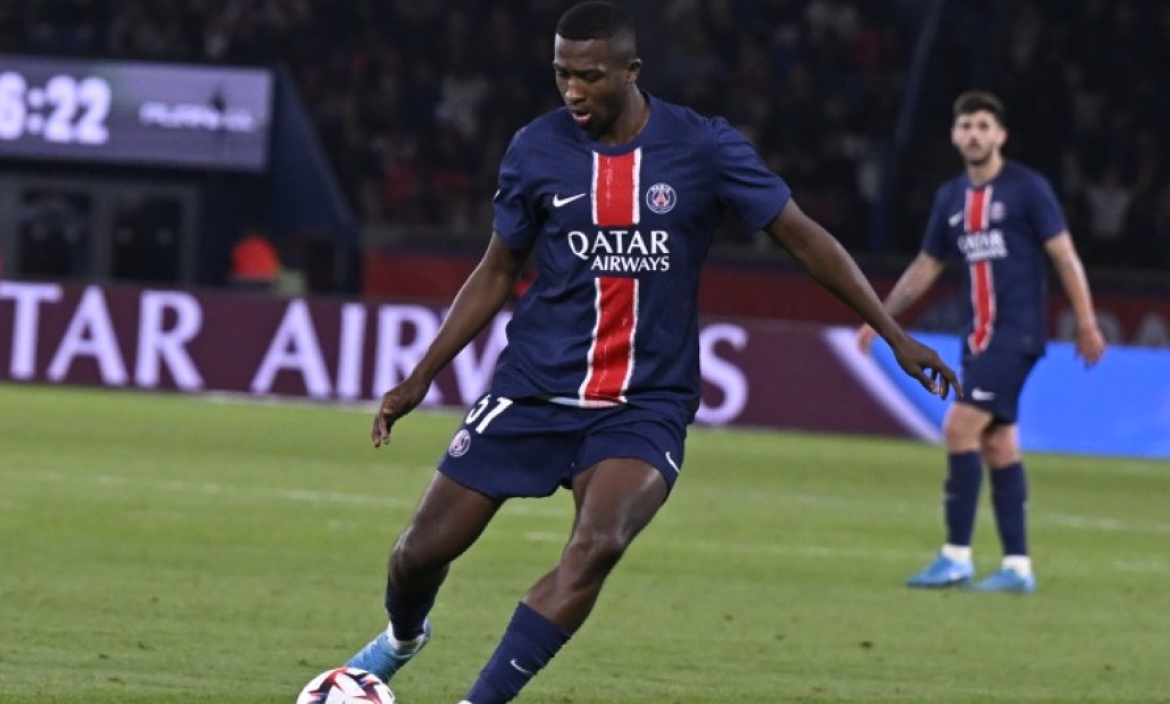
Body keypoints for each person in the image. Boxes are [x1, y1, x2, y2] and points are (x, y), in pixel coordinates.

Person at [346, 4, 959, 703]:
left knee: (597, 545)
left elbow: (804, 238)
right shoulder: (535, 150)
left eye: (589, 76)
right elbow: (496, 270)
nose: (572, 91)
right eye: (561, 74)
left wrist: (893, 333)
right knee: (417, 554)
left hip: (643, 403)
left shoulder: (704, 147)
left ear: (632, 71)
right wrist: (420, 376)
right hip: (533, 389)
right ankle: (400, 640)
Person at [856, 90, 1107, 594]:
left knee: (959, 427)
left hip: (1016, 334)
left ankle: (956, 556)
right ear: (955, 135)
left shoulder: (1027, 189)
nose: (974, 134)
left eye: (983, 126)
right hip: (978, 339)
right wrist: (881, 316)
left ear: (1001, 136)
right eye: (966, 126)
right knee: (997, 442)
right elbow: (927, 265)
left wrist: (1086, 321)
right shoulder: (950, 198)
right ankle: (1017, 567)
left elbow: (1064, 255)